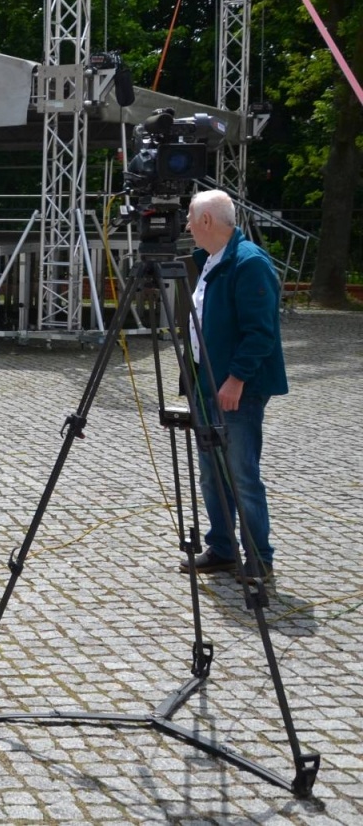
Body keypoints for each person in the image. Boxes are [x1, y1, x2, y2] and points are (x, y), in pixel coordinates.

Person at [179, 189, 287, 586]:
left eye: (190, 218)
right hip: (207, 383)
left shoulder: (249, 263)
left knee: (241, 473)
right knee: (212, 474)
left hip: (235, 387)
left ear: (206, 221)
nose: (187, 227)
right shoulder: (210, 260)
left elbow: (262, 333)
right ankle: (222, 549)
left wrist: (236, 378)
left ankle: (259, 558)